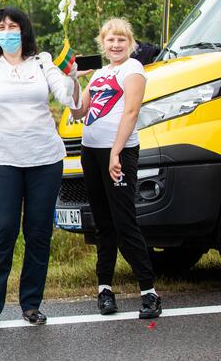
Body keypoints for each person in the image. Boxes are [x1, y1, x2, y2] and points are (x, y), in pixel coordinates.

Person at [0, 7, 81, 328]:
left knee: (38, 232)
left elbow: (69, 100)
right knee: (3, 230)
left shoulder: (42, 62)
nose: (8, 31)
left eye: (13, 26)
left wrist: (73, 79)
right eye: (1, 26)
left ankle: (31, 304)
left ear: (24, 30)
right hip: (1, 160)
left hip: (44, 159)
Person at [70, 18, 162, 319]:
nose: (116, 45)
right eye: (110, 40)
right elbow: (78, 111)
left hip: (118, 153)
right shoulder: (98, 74)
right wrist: (74, 79)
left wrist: (116, 152)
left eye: (122, 39)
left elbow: (132, 111)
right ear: (102, 43)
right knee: (103, 224)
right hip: (91, 152)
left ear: (130, 42)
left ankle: (149, 292)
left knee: (124, 222)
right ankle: (105, 290)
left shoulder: (133, 69)